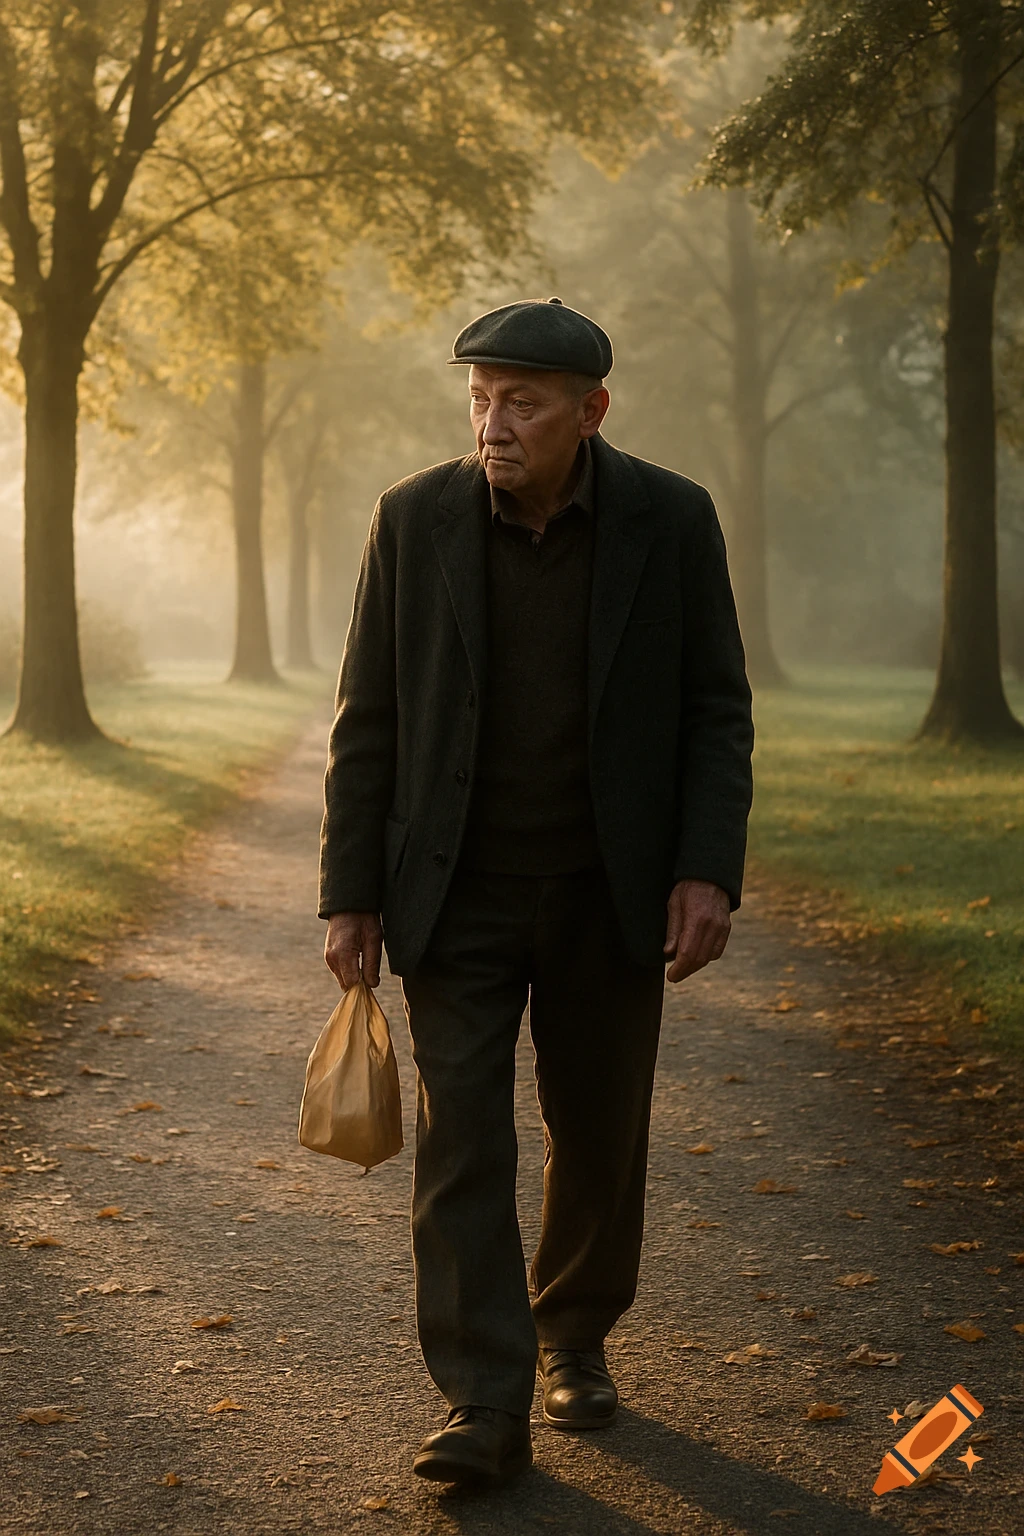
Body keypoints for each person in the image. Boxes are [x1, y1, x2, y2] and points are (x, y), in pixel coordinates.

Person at [319, 298, 754, 1487]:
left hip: (605, 892)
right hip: (452, 894)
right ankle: (481, 1399)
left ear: (589, 410)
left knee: (597, 1133)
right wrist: (349, 895)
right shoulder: (412, 518)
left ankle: (574, 1335)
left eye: (521, 403)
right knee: (462, 1137)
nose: (493, 425)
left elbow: (715, 707)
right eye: (479, 400)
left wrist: (705, 868)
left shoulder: (671, 518)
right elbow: (368, 716)